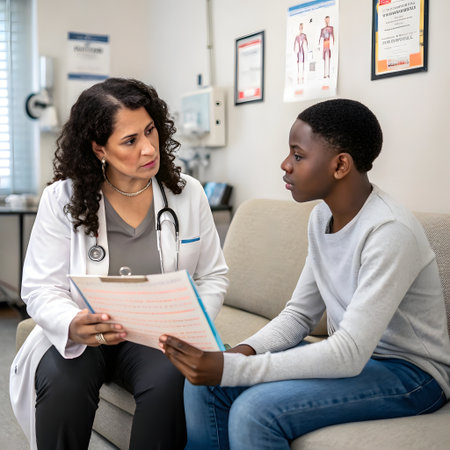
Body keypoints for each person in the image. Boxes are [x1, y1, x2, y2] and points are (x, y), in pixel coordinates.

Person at [160, 98, 450, 449]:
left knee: (255, 411)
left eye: (298, 155)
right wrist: (240, 353)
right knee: (204, 385)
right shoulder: (320, 219)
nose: (285, 165)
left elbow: (349, 351)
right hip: (359, 360)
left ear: (340, 164)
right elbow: (299, 315)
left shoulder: (389, 231)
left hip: (413, 375)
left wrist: (234, 369)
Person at [9, 77, 228, 450]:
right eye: (130, 141)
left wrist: (190, 325)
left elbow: (212, 274)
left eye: (150, 131)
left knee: (169, 381)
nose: (148, 149)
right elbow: (41, 287)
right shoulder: (62, 199)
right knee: (64, 381)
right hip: (85, 332)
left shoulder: (187, 194)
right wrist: (72, 323)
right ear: (99, 149)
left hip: (154, 335)